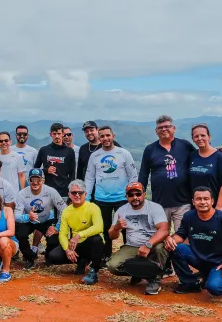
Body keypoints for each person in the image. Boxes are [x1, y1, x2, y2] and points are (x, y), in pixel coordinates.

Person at [169, 187, 222, 296]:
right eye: (199, 199)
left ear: (212, 201)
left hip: (221, 262)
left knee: (215, 288)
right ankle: (190, 282)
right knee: (175, 247)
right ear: (193, 202)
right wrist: (170, 239)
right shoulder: (189, 216)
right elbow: (180, 235)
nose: (202, 202)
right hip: (200, 258)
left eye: (206, 199)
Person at [84, 126, 138, 259]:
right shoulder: (94, 156)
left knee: (126, 228)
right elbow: (90, 177)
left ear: (113, 136)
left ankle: (128, 256)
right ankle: (105, 255)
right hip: (101, 198)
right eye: (102, 136)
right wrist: (87, 197)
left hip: (122, 198)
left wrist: (132, 195)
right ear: (99, 138)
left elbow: (133, 175)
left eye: (108, 135)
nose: (105, 138)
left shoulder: (124, 153)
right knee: (104, 228)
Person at [107, 182, 170, 295]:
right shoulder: (122, 210)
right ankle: (138, 273)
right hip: (132, 245)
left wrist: (148, 245)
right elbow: (112, 236)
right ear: (126, 197)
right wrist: (116, 228)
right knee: (113, 266)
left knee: (160, 248)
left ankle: (154, 278)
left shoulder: (155, 208)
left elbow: (164, 230)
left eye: (138, 194)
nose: (135, 197)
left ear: (144, 194)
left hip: (153, 245)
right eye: (131, 195)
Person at [138, 115, 194, 232]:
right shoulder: (150, 149)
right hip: (160, 202)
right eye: (160, 128)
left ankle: (179, 251)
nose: (164, 129)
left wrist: (217, 151)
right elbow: (144, 173)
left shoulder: (185, 145)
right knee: (161, 236)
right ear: (156, 131)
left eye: (167, 126)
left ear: (174, 128)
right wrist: (140, 194)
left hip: (183, 201)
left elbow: (201, 156)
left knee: (182, 236)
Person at [45, 180, 104, 285]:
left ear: (85, 194)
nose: (77, 195)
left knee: (97, 240)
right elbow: (63, 234)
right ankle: (81, 261)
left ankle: (93, 271)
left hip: (90, 243)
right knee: (54, 256)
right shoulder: (66, 211)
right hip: (76, 244)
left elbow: (99, 227)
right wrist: (67, 250)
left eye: (80, 193)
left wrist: (79, 235)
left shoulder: (93, 207)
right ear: (69, 195)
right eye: (73, 193)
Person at [16, 168, 64, 268]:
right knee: (20, 233)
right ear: (28, 181)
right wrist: (28, 217)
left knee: (53, 238)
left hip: (46, 219)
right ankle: (29, 257)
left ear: (43, 180)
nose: (35, 183)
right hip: (30, 220)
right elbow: (16, 216)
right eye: (32, 180)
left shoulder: (51, 191)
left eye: (38, 180)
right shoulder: (21, 194)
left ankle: (49, 256)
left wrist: (57, 227)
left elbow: (64, 209)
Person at [188, 124, 222, 211]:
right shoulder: (192, 156)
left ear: (209, 137)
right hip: (196, 205)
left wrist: (219, 207)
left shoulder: (220, 157)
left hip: (214, 205)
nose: (200, 138)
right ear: (193, 139)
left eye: (203, 135)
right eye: (196, 136)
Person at [34, 123, 77, 197]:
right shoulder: (44, 150)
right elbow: (35, 170)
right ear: (51, 134)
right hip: (47, 190)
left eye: (59, 133)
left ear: (63, 134)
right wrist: (46, 170)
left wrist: (71, 191)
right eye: (54, 134)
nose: (57, 136)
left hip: (64, 191)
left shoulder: (70, 151)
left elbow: (72, 173)